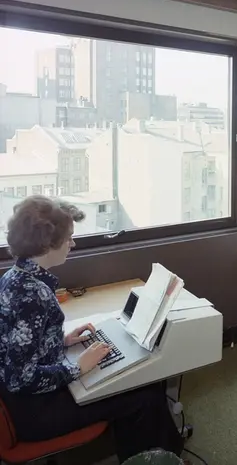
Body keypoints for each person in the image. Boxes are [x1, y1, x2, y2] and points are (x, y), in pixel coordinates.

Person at [0, 196, 184, 464]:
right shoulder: (34, 295)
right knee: (145, 397)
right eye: (69, 238)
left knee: (141, 387)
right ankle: (159, 458)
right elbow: (20, 378)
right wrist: (78, 368)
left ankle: (158, 452)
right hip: (35, 412)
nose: (72, 244)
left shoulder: (14, 277)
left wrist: (61, 341)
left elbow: (17, 345)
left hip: (24, 402)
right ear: (47, 244)